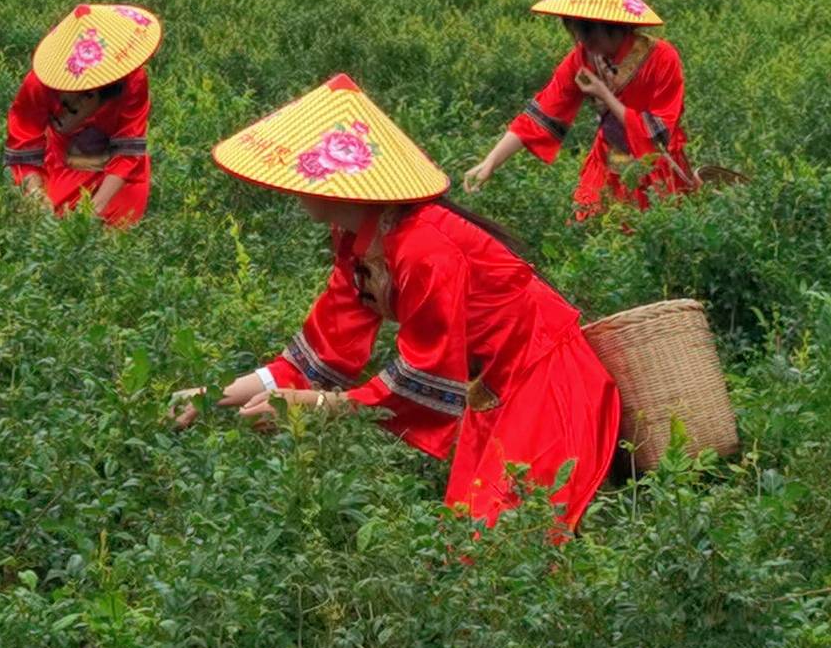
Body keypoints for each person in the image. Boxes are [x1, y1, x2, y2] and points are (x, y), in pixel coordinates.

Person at [192, 75, 629, 533]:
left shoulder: (423, 246)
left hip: (543, 378)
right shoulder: (358, 243)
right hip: (496, 386)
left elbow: (424, 373)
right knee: (480, 537)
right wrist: (210, 398)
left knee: (514, 539)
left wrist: (315, 405)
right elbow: (320, 353)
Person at [465, 0, 694, 213]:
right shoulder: (583, 58)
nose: (583, 42)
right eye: (578, 34)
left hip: (653, 166)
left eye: (590, 34)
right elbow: (541, 113)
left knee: (653, 233)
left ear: (613, 25)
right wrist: (491, 161)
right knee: (591, 228)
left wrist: (604, 94)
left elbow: (660, 131)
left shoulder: (662, 57)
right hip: (607, 162)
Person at [7, 1, 161, 225]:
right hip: (64, 157)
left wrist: (96, 205)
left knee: (114, 231)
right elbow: (24, 142)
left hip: (117, 169)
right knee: (49, 222)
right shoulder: (39, 84)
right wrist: (34, 192)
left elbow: (128, 145)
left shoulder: (132, 80)